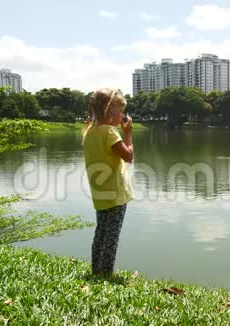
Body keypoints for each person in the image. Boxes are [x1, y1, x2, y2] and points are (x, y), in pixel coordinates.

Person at [82, 88, 133, 277]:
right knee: (112, 236)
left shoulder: (89, 131)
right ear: (109, 111)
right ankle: (107, 274)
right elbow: (128, 156)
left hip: (100, 192)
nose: (123, 115)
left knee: (101, 232)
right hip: (116, 193)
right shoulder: (110, 132)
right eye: (121, 111)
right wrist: (127, 133)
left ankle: (97, 269)